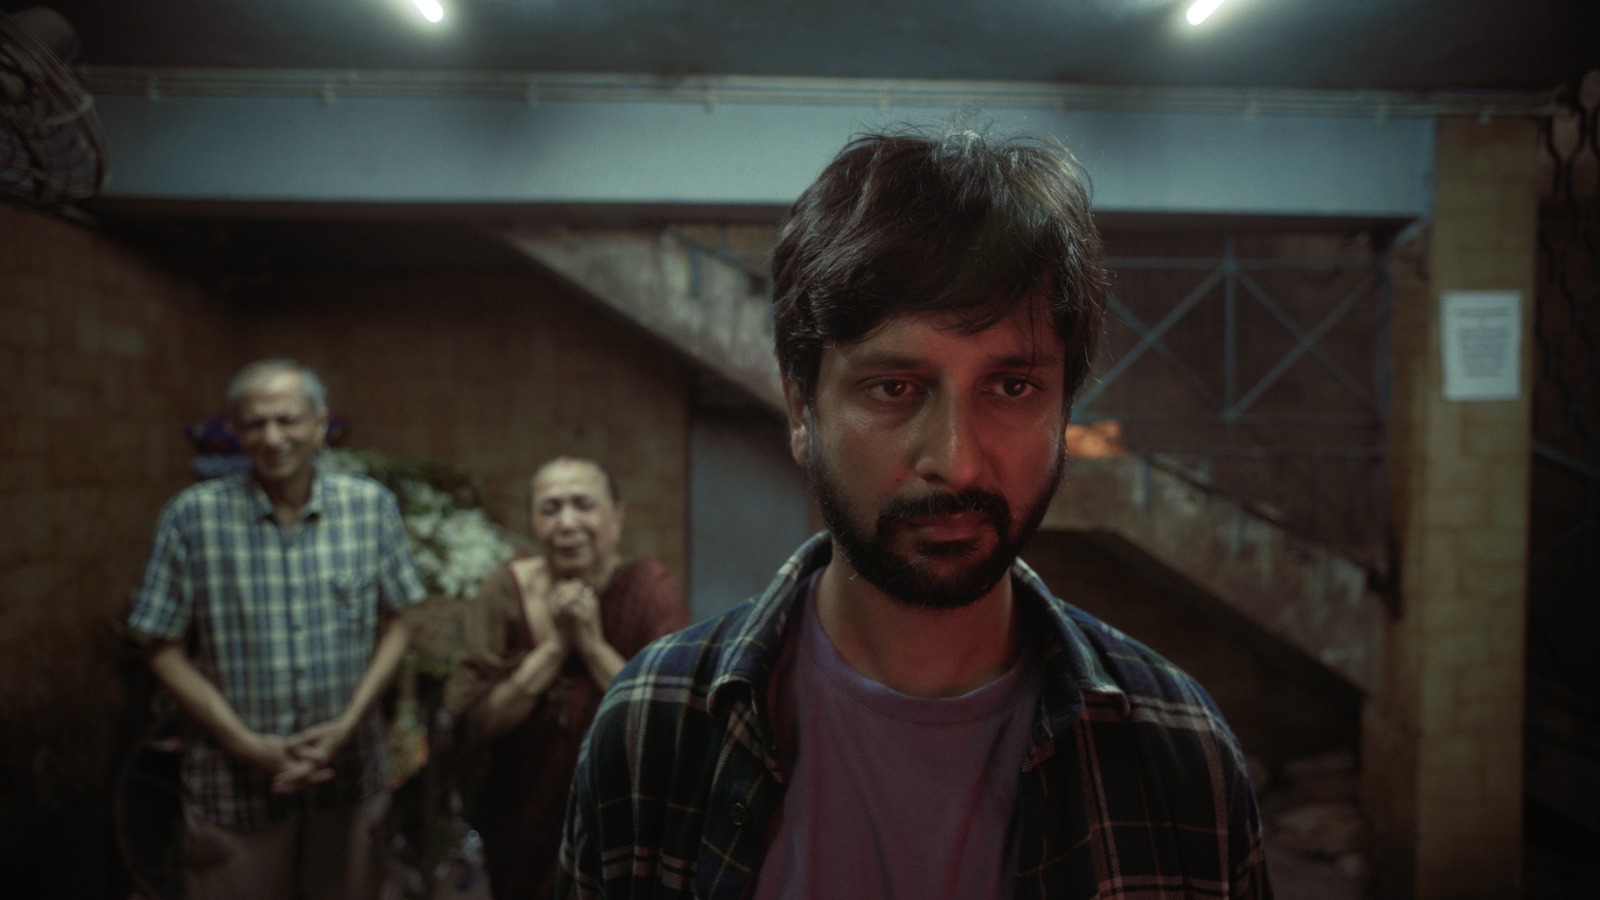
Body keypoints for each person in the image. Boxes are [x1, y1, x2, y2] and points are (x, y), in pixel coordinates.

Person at [558, 126, 1273, 900]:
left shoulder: (1177, 751)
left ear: (1063, 409)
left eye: (1012, 388)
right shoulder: (655, 730)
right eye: (895, 388)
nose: (956, 461)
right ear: (801, 410)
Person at [127, 359, 427, 900]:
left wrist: (346, 725)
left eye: (287, 420)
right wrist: (240, 740)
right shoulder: (193, 517)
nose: (272, 438)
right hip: (233, 787)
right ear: (234, 431)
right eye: (254, 423)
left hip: (347, 776)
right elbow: (162, 648)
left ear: (319, 424)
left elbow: (401, 622)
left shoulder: (369, 508)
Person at [446, 456, 689, 900]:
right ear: (532, 521)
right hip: (522, 824)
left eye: (583, 504)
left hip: (622, 823)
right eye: (550, 508)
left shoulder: (649, 590)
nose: (567, 523)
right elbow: (474, 720)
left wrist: (592, 646)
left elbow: (669, 720)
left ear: (617, 515)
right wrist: (556, 648)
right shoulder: (504, 592)